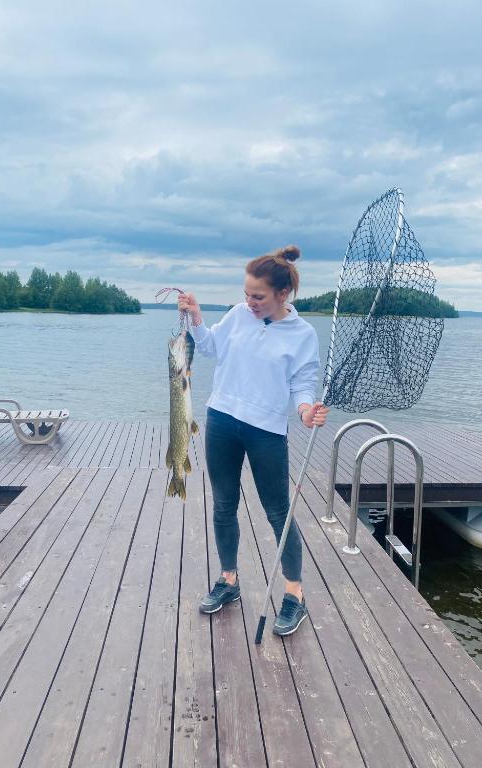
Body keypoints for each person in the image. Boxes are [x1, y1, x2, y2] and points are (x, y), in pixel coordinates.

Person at [178, 245, 329, 637]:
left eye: (258, 296)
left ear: (283, 293)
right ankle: (229, 581)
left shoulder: (303, 334)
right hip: (222, 419)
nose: (250, 302)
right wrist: (196, 317)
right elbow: (209, 346)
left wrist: (306, 411)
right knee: (223, 505)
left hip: (267, 431)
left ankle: (294, 595)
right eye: (246, 294)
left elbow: (303, 384)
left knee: (278, 512)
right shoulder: (238, 315)